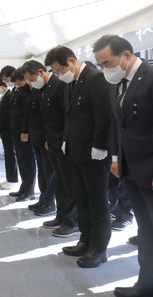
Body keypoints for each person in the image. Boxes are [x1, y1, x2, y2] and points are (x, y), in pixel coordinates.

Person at [93, 34, 153, 297]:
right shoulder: (117, 82)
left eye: (107, 62)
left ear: (126, 54)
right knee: (146, 233)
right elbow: (116, 124)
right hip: (132, 171)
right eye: (99, 64)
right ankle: (146, 286)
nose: (104, 69)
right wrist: (115, 159)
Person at [46, 45, 112, 268]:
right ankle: (85, 240)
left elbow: (105, 114)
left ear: (72, 61)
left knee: (97, 201)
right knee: (81, 198)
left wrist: (101, 145)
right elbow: (69, 117)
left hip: (94, 153)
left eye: (58, 70)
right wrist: (65, 140)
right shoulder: (70, 82)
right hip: (75, 150)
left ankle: (99, 248)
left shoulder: (95, 78)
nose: (57, 75)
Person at [20, 61, 56, 217]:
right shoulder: (37, 89)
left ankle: (49, 202)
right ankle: (44, 198)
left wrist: (48, 137)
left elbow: (49, 116)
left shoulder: (53, 87)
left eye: (31, 79)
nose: (30, 82)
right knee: (42, 171)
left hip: (46, 137)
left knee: (49, 171)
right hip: (37, 137)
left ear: (40, 72)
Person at [8, 69, 36, 202]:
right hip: (16, 132)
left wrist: (25, 131)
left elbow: (26, 113)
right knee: (21, 161)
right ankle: (24, 186)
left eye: (19, 83)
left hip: (23, 132)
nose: (17, 86)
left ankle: (30, 190)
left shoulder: (28, 92)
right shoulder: (19, 90)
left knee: (28, 161)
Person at [0, 76, 19, 189]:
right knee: (7, 154)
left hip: (8, 130)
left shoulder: (9, 95)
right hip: (4, 130)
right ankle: (9, 178)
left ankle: (13, 179)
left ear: (3, 85)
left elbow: (6, 115)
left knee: (10, 154)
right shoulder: (3, 96)